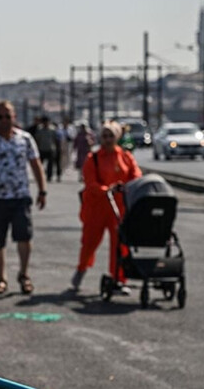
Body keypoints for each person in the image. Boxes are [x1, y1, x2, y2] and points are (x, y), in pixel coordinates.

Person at [0, 101, 47, 295]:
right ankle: (1, 278)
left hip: (20, 196)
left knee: (24, 235)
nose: (4, 120)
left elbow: (35, 164)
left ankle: (24, 274)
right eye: (0, 117)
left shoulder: (25, 139)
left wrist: (42, 190)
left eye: (8, 116)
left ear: (14, 117)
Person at [71, 121, 142, 293]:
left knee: (120, 244)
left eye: (111, 136)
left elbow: (136, 175)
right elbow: (90, 182)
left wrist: (129, 187)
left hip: (119, 208)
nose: (108, 139)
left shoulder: (125, 156)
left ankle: (119, 278)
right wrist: (106, 190)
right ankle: (82, 268)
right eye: (105, 136)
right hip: (97, 207)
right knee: (89, 242)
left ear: (117, 137)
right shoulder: (93, 158)